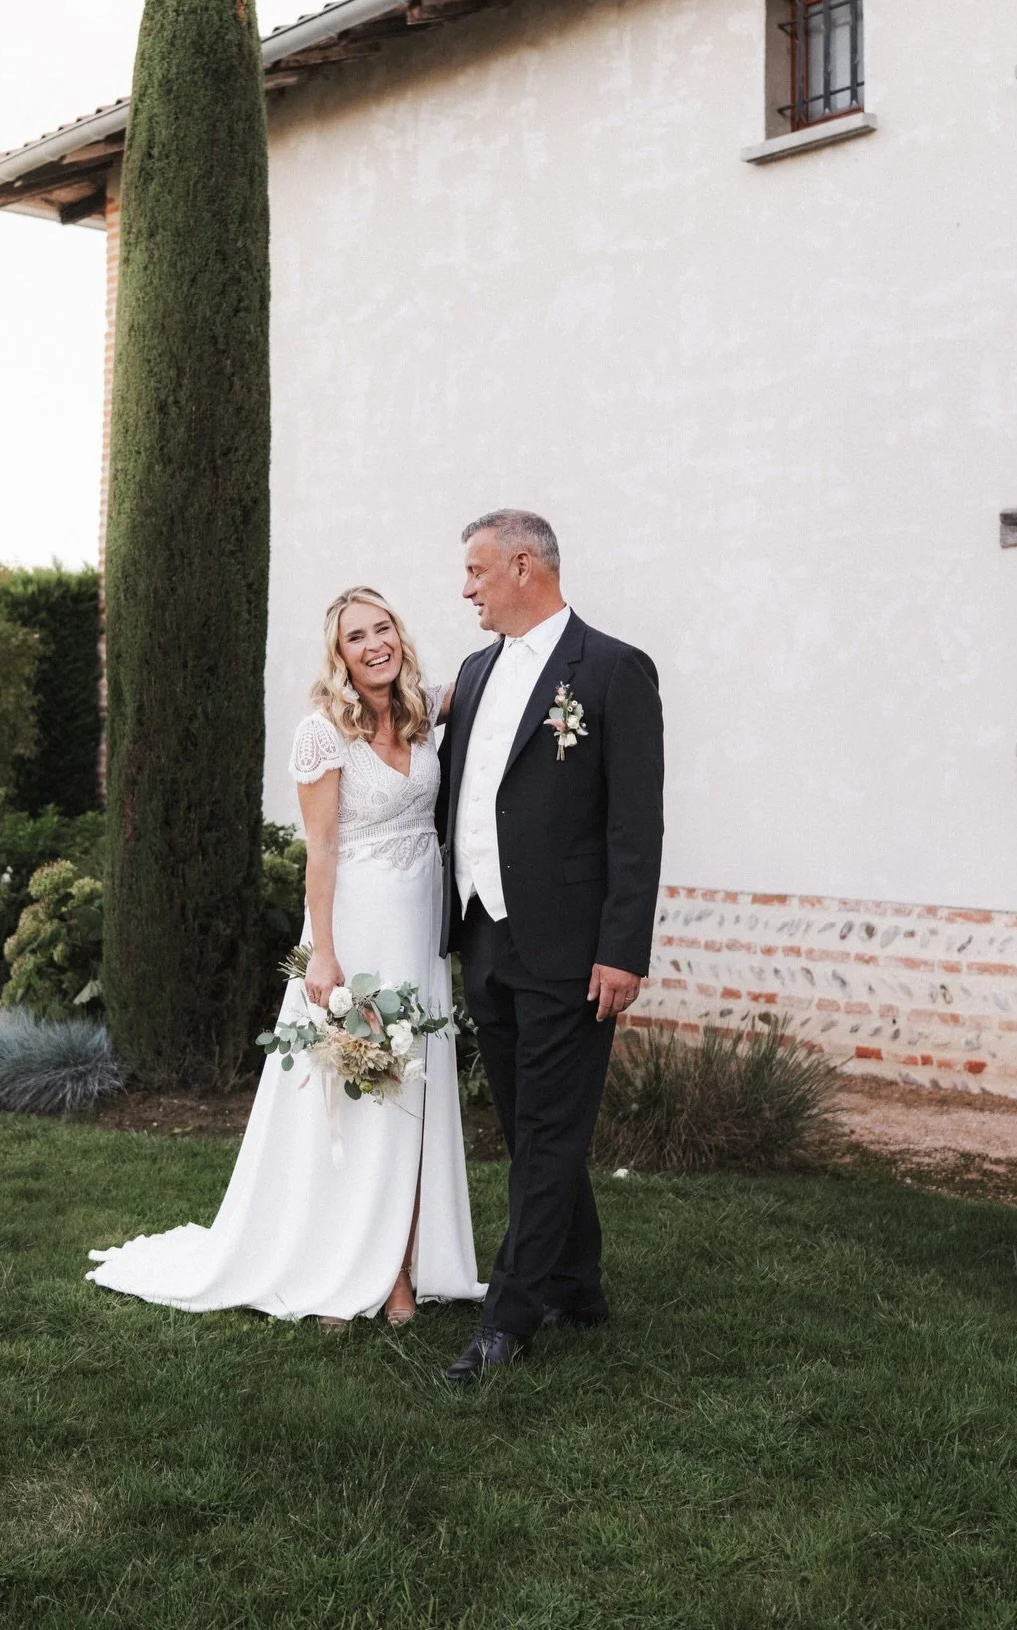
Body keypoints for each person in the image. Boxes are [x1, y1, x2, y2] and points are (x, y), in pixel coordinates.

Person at [87, 587, 484, 1327]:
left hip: (419, 926)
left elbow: (495, 671)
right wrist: (322, 956)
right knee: (351, 1090)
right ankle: (337, 1265)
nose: (374, 644)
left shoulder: (426, 708)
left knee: (415, 1091)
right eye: (355, 636)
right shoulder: (323, 732)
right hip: (355, 927)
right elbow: (322, 850)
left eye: (383, 627)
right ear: (338, 655)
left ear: (400, 632)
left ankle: (400, 1272)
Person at [437, 510, 664, 1384]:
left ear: (524, 565)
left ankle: (509, 1319)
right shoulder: (473, 670)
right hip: (484, 935)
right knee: (536, 1128)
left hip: (572, 948)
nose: (466, 589)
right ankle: (579, 1283)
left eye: (476, 571)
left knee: (545, 1129)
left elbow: (635, 823)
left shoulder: (611, 670)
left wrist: (623, 948)